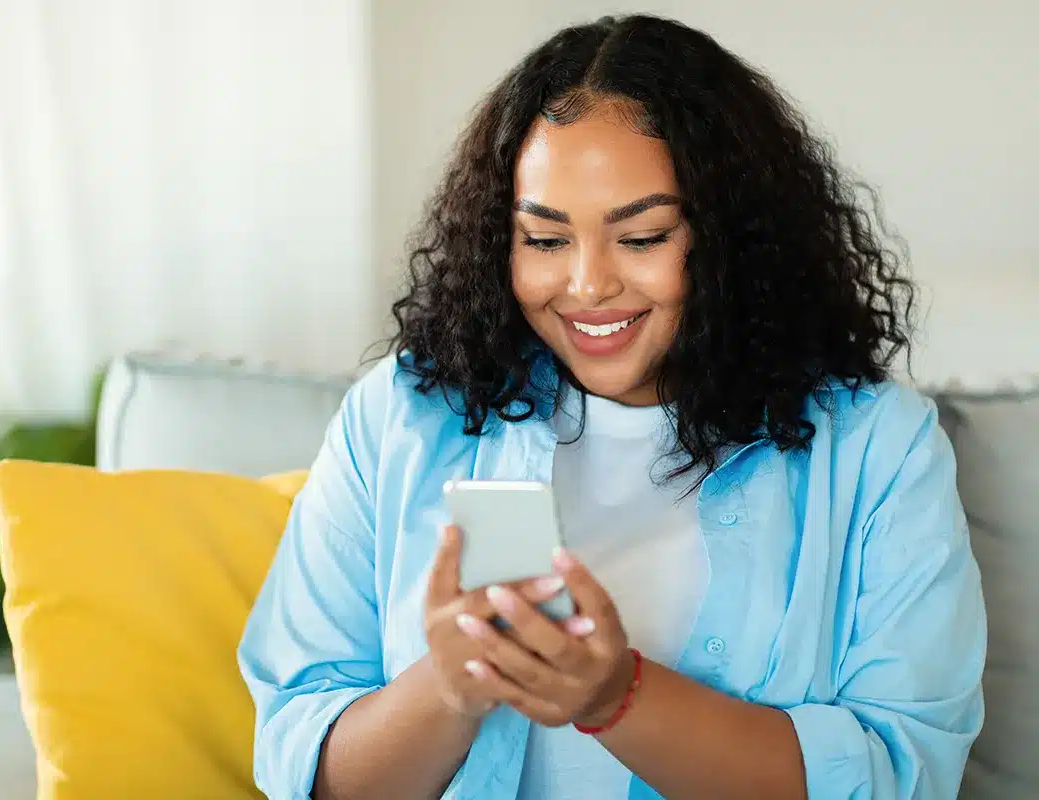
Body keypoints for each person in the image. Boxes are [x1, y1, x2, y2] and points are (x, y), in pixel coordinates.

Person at [238, 13, 986, 800]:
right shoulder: (399, 417)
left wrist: (616, 696)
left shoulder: (877, 447)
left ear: (733, 240)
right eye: (546, 240)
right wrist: (449, 691)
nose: (588, 286)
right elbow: (305, 770)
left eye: (643, 237)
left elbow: (901, 774)